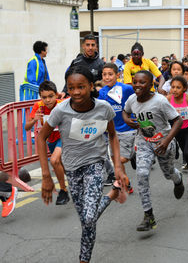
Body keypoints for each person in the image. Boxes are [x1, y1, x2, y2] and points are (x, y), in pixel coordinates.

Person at [37, 65, 127, 263]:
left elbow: (112, 135)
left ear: (90, 87)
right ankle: (111, 194)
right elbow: (41, 138)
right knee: (87, 220)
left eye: (81, 87)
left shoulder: (104, 108)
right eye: (71, 88)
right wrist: (46, 176)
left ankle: (83, 260)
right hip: (71, 168)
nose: (76, 92)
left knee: (88, 218)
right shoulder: (61, 110)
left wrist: (118, 168)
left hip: (95, 164)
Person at [123, 70, 185, 231]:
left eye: (142, 82)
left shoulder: (160, 101)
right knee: (142, 174)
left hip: (163, 142)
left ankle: (178, 180)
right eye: (135, 82)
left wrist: (167, 140)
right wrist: (127, 120)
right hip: (144, 142)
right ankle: (148, 216)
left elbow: (178, 120)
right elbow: (125, 110)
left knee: (168, 173)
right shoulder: (132, 100)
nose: (137, 85)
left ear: (151, 85)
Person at [25, 81, 70, 205]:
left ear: (56, 95)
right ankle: (75, 182)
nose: (48, 100)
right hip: (50, 139)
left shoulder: (62, 104)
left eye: (51, 96)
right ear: (40, 97)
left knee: (55, 160)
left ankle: (63, 191)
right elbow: (27, 127)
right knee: (61, 166)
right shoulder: (38, 106)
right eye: (44, 97)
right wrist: (34, 119)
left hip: (64, 137)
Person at [98, 63, 135, 193]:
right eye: (104, 74)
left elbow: (135, 102)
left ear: (117, 75)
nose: (107, 77)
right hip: (112, 132)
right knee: (116, 161)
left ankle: (133, 154)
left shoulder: (126, 89)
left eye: (110, 74)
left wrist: (135, 119)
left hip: (128, 129)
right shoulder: (102, 92)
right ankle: (126, 183)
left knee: (120, 160)